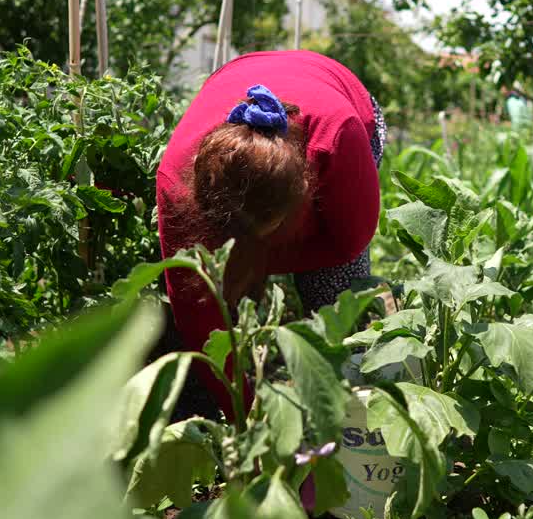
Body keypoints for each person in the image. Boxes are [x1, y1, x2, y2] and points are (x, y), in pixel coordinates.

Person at [156, 50, 385, 419]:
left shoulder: (337, 138)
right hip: (238, 75)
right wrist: (244, 413)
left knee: (334, 293)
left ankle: (346, 415)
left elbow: (349, 241)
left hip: (340, 95)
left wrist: (263, 261)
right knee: (213, 294)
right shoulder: (176, 181)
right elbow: (192, 306)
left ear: (304, 192)